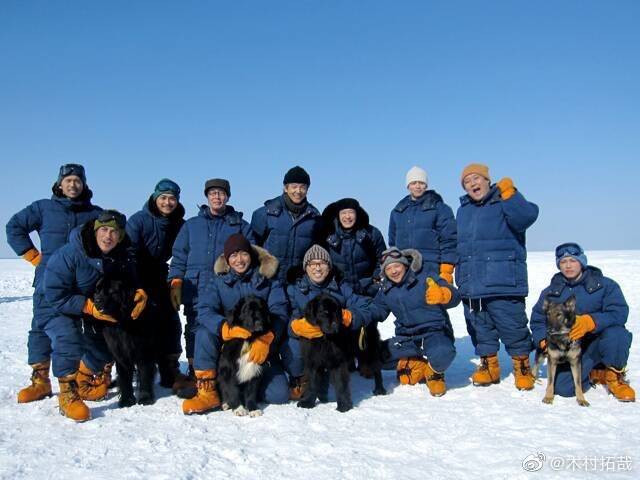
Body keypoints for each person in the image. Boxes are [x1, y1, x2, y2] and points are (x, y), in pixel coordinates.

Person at [6, 164, 102, 404]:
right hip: (47, 279)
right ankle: (40, 381)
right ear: (59, 184)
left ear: (84, 184)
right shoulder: (43, 208)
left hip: (80, 284)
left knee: (82, 331)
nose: (73, 185)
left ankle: (84, 376)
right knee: (40, 328)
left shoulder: (94, 214)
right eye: (68, 180)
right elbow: (14, 227)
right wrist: (33, 257)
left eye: (77, 181)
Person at [43, 210, 148, 421]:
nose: (108, 236)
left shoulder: (120, 255)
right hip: (57, 305)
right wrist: (87, 307)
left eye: (114, 232)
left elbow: (129, 280)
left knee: (111, 343)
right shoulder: (70, 254)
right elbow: (54, 294)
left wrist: (138, 292)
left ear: (120, 236)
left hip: (95, 306)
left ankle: (84, 378)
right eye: (104, 230)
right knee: (68, 337)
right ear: (95, 230)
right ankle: (68, 392)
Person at [183, 234, 289, 414]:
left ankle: (246, 389)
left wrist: (267, 339)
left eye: (243, 254)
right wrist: (223, 327)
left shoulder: (268, 279)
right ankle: (208, 388)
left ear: (251, 255)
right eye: (233, 256)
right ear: (227, 260)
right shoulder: (218, 281)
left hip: (261, 345)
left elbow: (280, 312)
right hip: (230, 347)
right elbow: (205, 310)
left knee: (278, 395)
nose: (239, 260)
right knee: (203, 332)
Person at [456, 163, 539, 390]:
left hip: (503, 279)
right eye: (467, 181)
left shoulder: (504, 199)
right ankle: (489, 366)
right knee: (479, 327)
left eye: (476, 178)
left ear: (487, 180)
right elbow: (459, 244)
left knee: (512, 326)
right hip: (472, 282)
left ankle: (522, 367)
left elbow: (526, 218)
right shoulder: (463, 210)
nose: (473, 183)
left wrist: (511, 195)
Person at [168, 178, 254, 395]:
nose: (217, 197)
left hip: (226, 288)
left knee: (224, 327)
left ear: (228, 197)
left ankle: (225, 369)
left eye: (222, 193)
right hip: (195, 285)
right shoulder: (191, 225)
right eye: (213, 193)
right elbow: (179, 256)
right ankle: (197, 373)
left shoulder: (240, 226)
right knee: (194, 328)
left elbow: (252, 254)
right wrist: (176, 280)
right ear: (207, 196)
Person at [530, 242, 635, 402]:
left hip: (600, 339)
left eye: (572, 260)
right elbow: (538, 319)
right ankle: (597, 372)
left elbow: (619, 313)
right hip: (572, 347)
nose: (568, 266)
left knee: (617, 334)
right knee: (563, 389)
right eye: (563, 262)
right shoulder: (551, 292)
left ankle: (615, 376)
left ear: (582, 262)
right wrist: (543, 341)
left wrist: (591, 321)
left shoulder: (606, 286)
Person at [286, 244, 383, 400]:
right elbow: (287, 317)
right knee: (293, 347)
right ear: (306, 267)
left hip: (333, 340)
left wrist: (351, 317)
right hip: (309, 342)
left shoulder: (341, 287)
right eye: (312, 263)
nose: (317, 268)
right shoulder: (294, 290)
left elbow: (368, 307)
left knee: (328, 394)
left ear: (329, 267)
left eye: (322, 263)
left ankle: (332, 375)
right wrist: (295, 326)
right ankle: (301, 377)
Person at [126, 179, 188, 392]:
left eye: (172, 198)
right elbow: (129, 253)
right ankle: (134, 366)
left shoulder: (179, 223)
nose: (167, 202)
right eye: (163, 198)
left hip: (162, 276)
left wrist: (177, 279)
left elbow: (183, 252)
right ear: (155, 198)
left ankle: (169, 367)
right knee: (139, 322)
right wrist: (136, 286)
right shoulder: (138, 220)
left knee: (170, 321)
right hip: (138, 275)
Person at [372, 247, 459, 396]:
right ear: (384, 272)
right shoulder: (386, 290)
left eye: (397, 266)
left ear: (405, 265)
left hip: (434, 332)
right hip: (407, 339)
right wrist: (354, 316)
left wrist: (444, 294)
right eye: (389, 268)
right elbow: (375, 310)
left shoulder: (425, 277)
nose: (394, 271)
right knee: (373, 356)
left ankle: (434, 373)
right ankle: (417, 364)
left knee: (443, 352)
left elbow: (455, 296)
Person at [251, 166, 322, 284]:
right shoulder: (265, 213)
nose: (298, 191)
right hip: (268, 281)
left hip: (299, 282)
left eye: (302, 187)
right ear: (285, 188)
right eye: (294, 187)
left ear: (307, 189)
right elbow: (252, 247)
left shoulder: (314, 217)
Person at [388, 166, 457, 283]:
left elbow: (449, 239)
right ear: (408, 186)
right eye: (414, 183)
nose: (418, 186)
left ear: (426, 185)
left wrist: (446, 268)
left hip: (431, 266)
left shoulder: (440, 208)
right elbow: (392, 242)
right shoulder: (398, 211)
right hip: (405, 268)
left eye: (421, 183)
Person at [321, 198, 387, 297]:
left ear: (357, 214)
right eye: (343, 213)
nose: (347, 217)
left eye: (351, 212)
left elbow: (383, 259)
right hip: (339, 292)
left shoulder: (371, 233)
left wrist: (375, 280)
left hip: (368, 290)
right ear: (338, 215)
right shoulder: (327, 235)